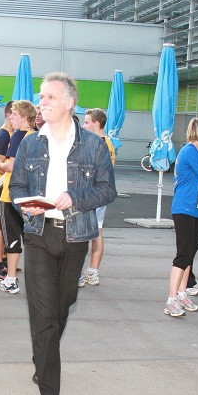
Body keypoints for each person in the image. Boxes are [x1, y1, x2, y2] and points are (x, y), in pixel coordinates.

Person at [8, 72, 116, 395]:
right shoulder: (30, 143)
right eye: (42, 97)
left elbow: (107, 189)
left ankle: (44, 358)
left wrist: (76, 197)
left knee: (61, 308)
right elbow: (16, 187)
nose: (43, 102)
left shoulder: (93, 145)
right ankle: (49, 394)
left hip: (74, 237)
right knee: (42, 316)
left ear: (70, 102)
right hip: (38, 234)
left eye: (50, 97)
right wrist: (25, 203)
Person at [165, 118, 198, 317]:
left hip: (195, 208)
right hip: (184, 208)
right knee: (183, 255)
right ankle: (171, 299)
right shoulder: (190, 152)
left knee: (189, 255)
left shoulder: (197, 153)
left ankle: (181, 294)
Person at [0, 100, 36, 294]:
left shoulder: (19, 135)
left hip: (11, 194)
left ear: (25, 117)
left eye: (15, 115)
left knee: (11, 237)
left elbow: (10, 166)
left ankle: (10, 278)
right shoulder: (37, 135)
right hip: (30, 193)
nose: (11, 117)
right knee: (31, 236)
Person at [79, 108, 117, 287]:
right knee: (97, 232)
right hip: (101, 193)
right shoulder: (108, 143)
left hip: (92, 193)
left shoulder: (96, 144)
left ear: (96, 123)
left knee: (84, 231)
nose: (84, 125)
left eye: (87, 122)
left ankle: (81, 273)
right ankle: (92, 271)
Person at [0, 101, 14, 280]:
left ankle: (5, 261)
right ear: (8, 115)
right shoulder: (4, 135)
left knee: (6, 225)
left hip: (6, 185)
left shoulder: (9, 133)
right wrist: (11, 168)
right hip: (1, 186)